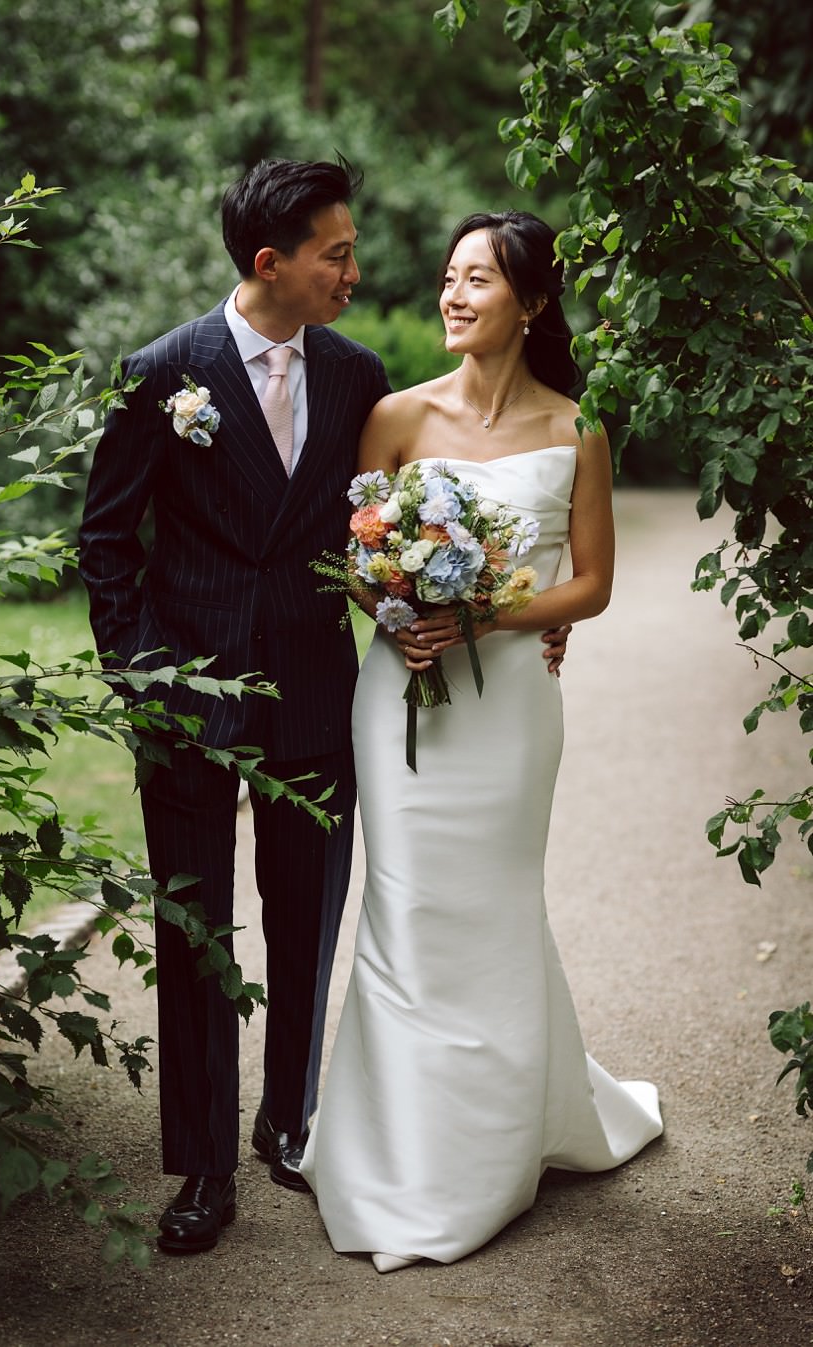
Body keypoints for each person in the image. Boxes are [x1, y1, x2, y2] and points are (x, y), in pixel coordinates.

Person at [298, 210, 664, 1272]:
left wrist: (490, 619)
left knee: (494, 909)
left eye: (479, 280)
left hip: (508, 706)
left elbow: (590, 583)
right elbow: (357, 561)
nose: (455, 295)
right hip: (398, 695)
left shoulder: (576, 427)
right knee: (405, 906)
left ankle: (493, 1147)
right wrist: (398, 610)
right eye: (449, 276)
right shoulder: (395, 417)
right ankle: (399, 1156)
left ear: (532, 302)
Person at [79, 157, 393, 1255]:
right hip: (187, 700)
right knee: (195, 932)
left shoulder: (358, 378)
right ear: (273, 263)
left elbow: (382, 525)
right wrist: (144, 681)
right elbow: (107, 542)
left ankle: (289, 1121)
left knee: (308, 921)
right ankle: (204, 1165)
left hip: (315, 693)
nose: (354, 269)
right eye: (337, 253)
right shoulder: (166, 373)